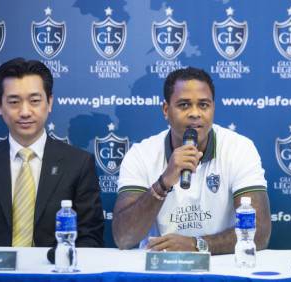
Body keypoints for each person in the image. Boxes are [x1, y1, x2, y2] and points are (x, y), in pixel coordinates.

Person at [113, 67, 271, 254]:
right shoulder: (141, 154)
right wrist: (163, 183)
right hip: (159, 267)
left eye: (203, 105)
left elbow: (259, 233)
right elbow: (124, 237)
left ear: (213, 108)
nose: (195, 113)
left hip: (221, 266)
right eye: (184, 105)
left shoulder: (240, 148)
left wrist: (197, 245)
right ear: (166, 110)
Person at [0, 58, 104, 247]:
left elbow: (90, 238)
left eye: (35, 101)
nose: (25, 112)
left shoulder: (78, 163)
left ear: (49, 102)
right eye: (14, 102)